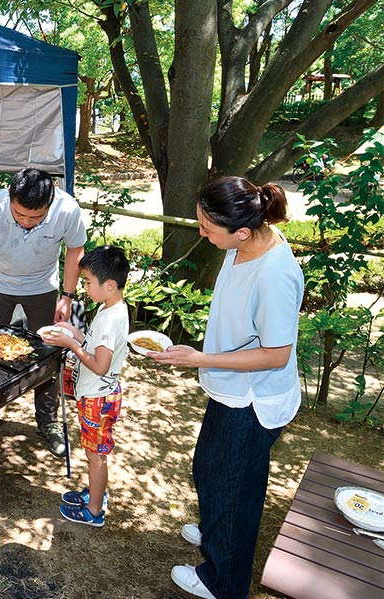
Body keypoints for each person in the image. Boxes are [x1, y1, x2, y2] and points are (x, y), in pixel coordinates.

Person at [148, 176, 304, 599]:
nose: (201, 233)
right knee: (209, 469)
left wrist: (200, 358)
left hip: (254, 400)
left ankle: (223, 582)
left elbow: (276, 354)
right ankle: (216, 529)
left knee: (233, 489)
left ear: (240, 230)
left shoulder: (275, 274)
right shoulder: (242, 245)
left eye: (207, 228)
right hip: (231, 388)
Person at [0, 168, 87, 456]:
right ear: (10, 197)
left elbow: (74, 251)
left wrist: (67, 296)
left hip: (43, 287)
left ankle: (48, 421)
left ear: (51, 203)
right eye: (19, 214)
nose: (27, 222)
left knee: (49, 354)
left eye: (36, 217)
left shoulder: (66, 209)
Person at [40, 245, 130, 527]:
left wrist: (71, 345)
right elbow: (96, 345)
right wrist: (73, 333)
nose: (84, 287)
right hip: (100, 394)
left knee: (96, 456)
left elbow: (100, 364)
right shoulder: (112, 309)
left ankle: (93, 511)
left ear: (110, 284)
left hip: (97, 398)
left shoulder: (109, 319)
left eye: (88, 282)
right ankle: (95, 493)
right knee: (95, 452)